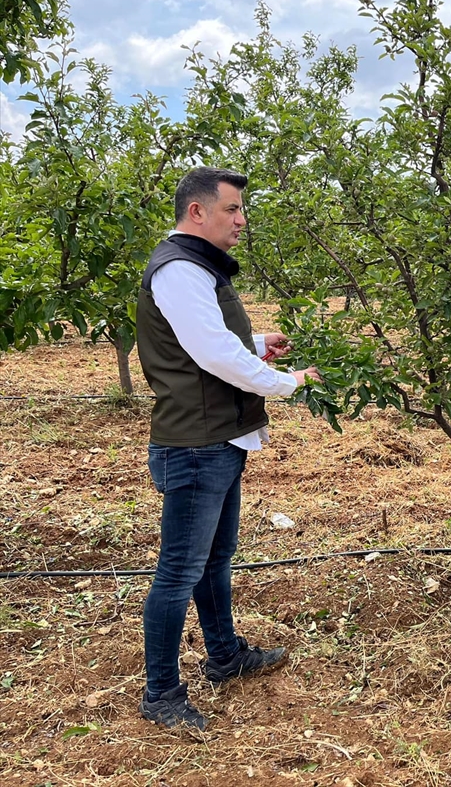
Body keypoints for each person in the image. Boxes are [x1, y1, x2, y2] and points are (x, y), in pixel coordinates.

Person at [135, 166, 322, 731]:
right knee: (178, 571)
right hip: (195, 443)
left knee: (214, 560)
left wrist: (259, 341)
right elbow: (214, 353)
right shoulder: (178, 271)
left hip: (218, 439)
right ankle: (161, 693)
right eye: (232, 210)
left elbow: (208, 339)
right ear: (197, 212)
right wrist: (286, 381)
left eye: (242, 210)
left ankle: (225, 656)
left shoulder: (195, 268)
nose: (242, 220)